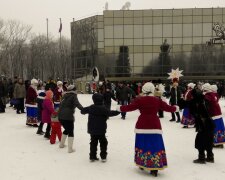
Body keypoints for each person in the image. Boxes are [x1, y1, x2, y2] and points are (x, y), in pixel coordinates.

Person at [117, 82, 179, 177]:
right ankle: (154, 167)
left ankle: (142, 163)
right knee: (155, 145)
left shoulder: (139, 100)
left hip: (142, 125)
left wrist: (120, 108)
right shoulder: (157, 100)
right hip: (154, 125)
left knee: (142, 144)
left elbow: (129, 107)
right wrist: (175, 108)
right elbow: (168, 108)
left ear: (144, 90)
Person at [178, 83, 215, 164]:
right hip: (210, 123)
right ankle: (210, 157)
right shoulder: (205, 101)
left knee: (200, 141)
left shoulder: (195, 103)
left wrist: (180, 99)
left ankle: (201, 158)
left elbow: (183, 104)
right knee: (209, 140)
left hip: (202, 124)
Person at [81, 93, 120, 162]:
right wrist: (118, 111)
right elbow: (110, 113)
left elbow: (83, 111)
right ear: (102, 100)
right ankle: (103, 156)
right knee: (103, 142)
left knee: (93, 142)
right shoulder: (103, 108)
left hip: (92, 129)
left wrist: (84, 110)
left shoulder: (91, 107)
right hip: (101, 129)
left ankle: (92, 156)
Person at [58, 85, 83, 153]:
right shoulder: (73, 95)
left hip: (60, 116)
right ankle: (70, 149)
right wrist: (83, 110)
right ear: (74, 90)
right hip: (68, 117)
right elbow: (77, 104)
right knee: (71, 131)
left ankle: (61, 144)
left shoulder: (64, 96)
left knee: (67, 129)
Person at [205, 84, 225, 149]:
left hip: (214, 115)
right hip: (218, 114)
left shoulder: (209, 95)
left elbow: (208, 106)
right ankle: (220, 142)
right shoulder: (215, 95)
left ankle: (216, 142)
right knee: (220, 128)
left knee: (215, 128)